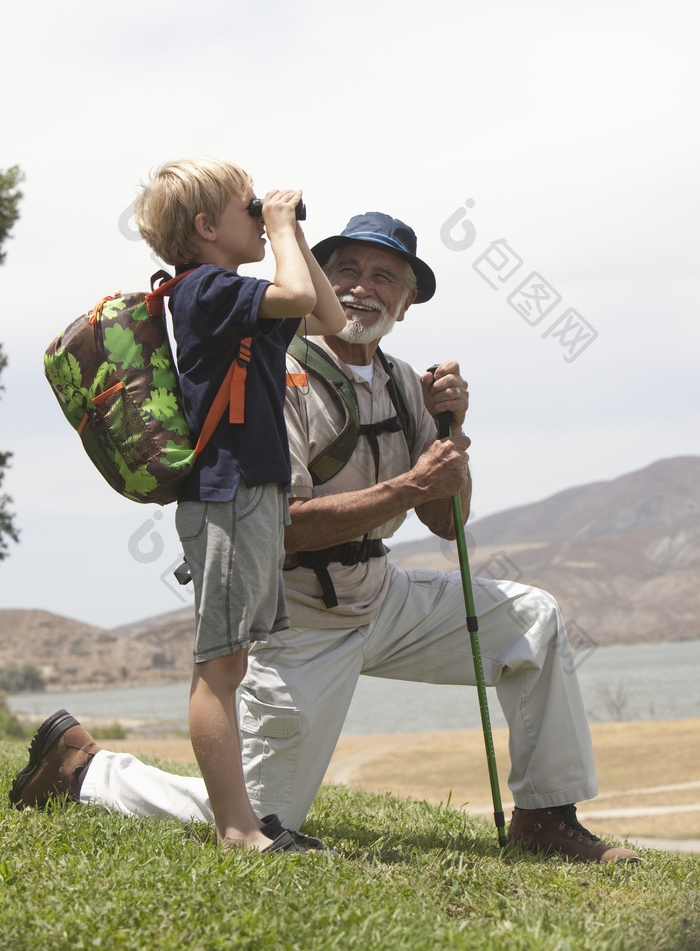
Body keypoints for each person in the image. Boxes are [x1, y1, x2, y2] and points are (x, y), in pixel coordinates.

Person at [11, 211, 639, 864]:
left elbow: (447, 523)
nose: (362, 287)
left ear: (407, 301)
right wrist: (410, 487)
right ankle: (86, 772)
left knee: (533, 619)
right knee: (260, 813)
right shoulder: (276, 372)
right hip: (300, 620)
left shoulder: (404, 384)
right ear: (321, 278)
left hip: (383, 595)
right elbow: (283, 529)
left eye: (383, 277)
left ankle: (544, 817)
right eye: (347, 270)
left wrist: (450, 431)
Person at [83, 157, 343, 855]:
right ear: (205, 227)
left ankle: (243, 818)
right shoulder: (204, 291)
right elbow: (292, 297)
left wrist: (294, 238)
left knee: (234, 660)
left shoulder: (237, 296)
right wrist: (283, 228)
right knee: (220, 667)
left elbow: (326, 315)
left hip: (254, 496)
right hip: (226, 497)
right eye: (247, 207)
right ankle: (235, 828)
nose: (261, 216)